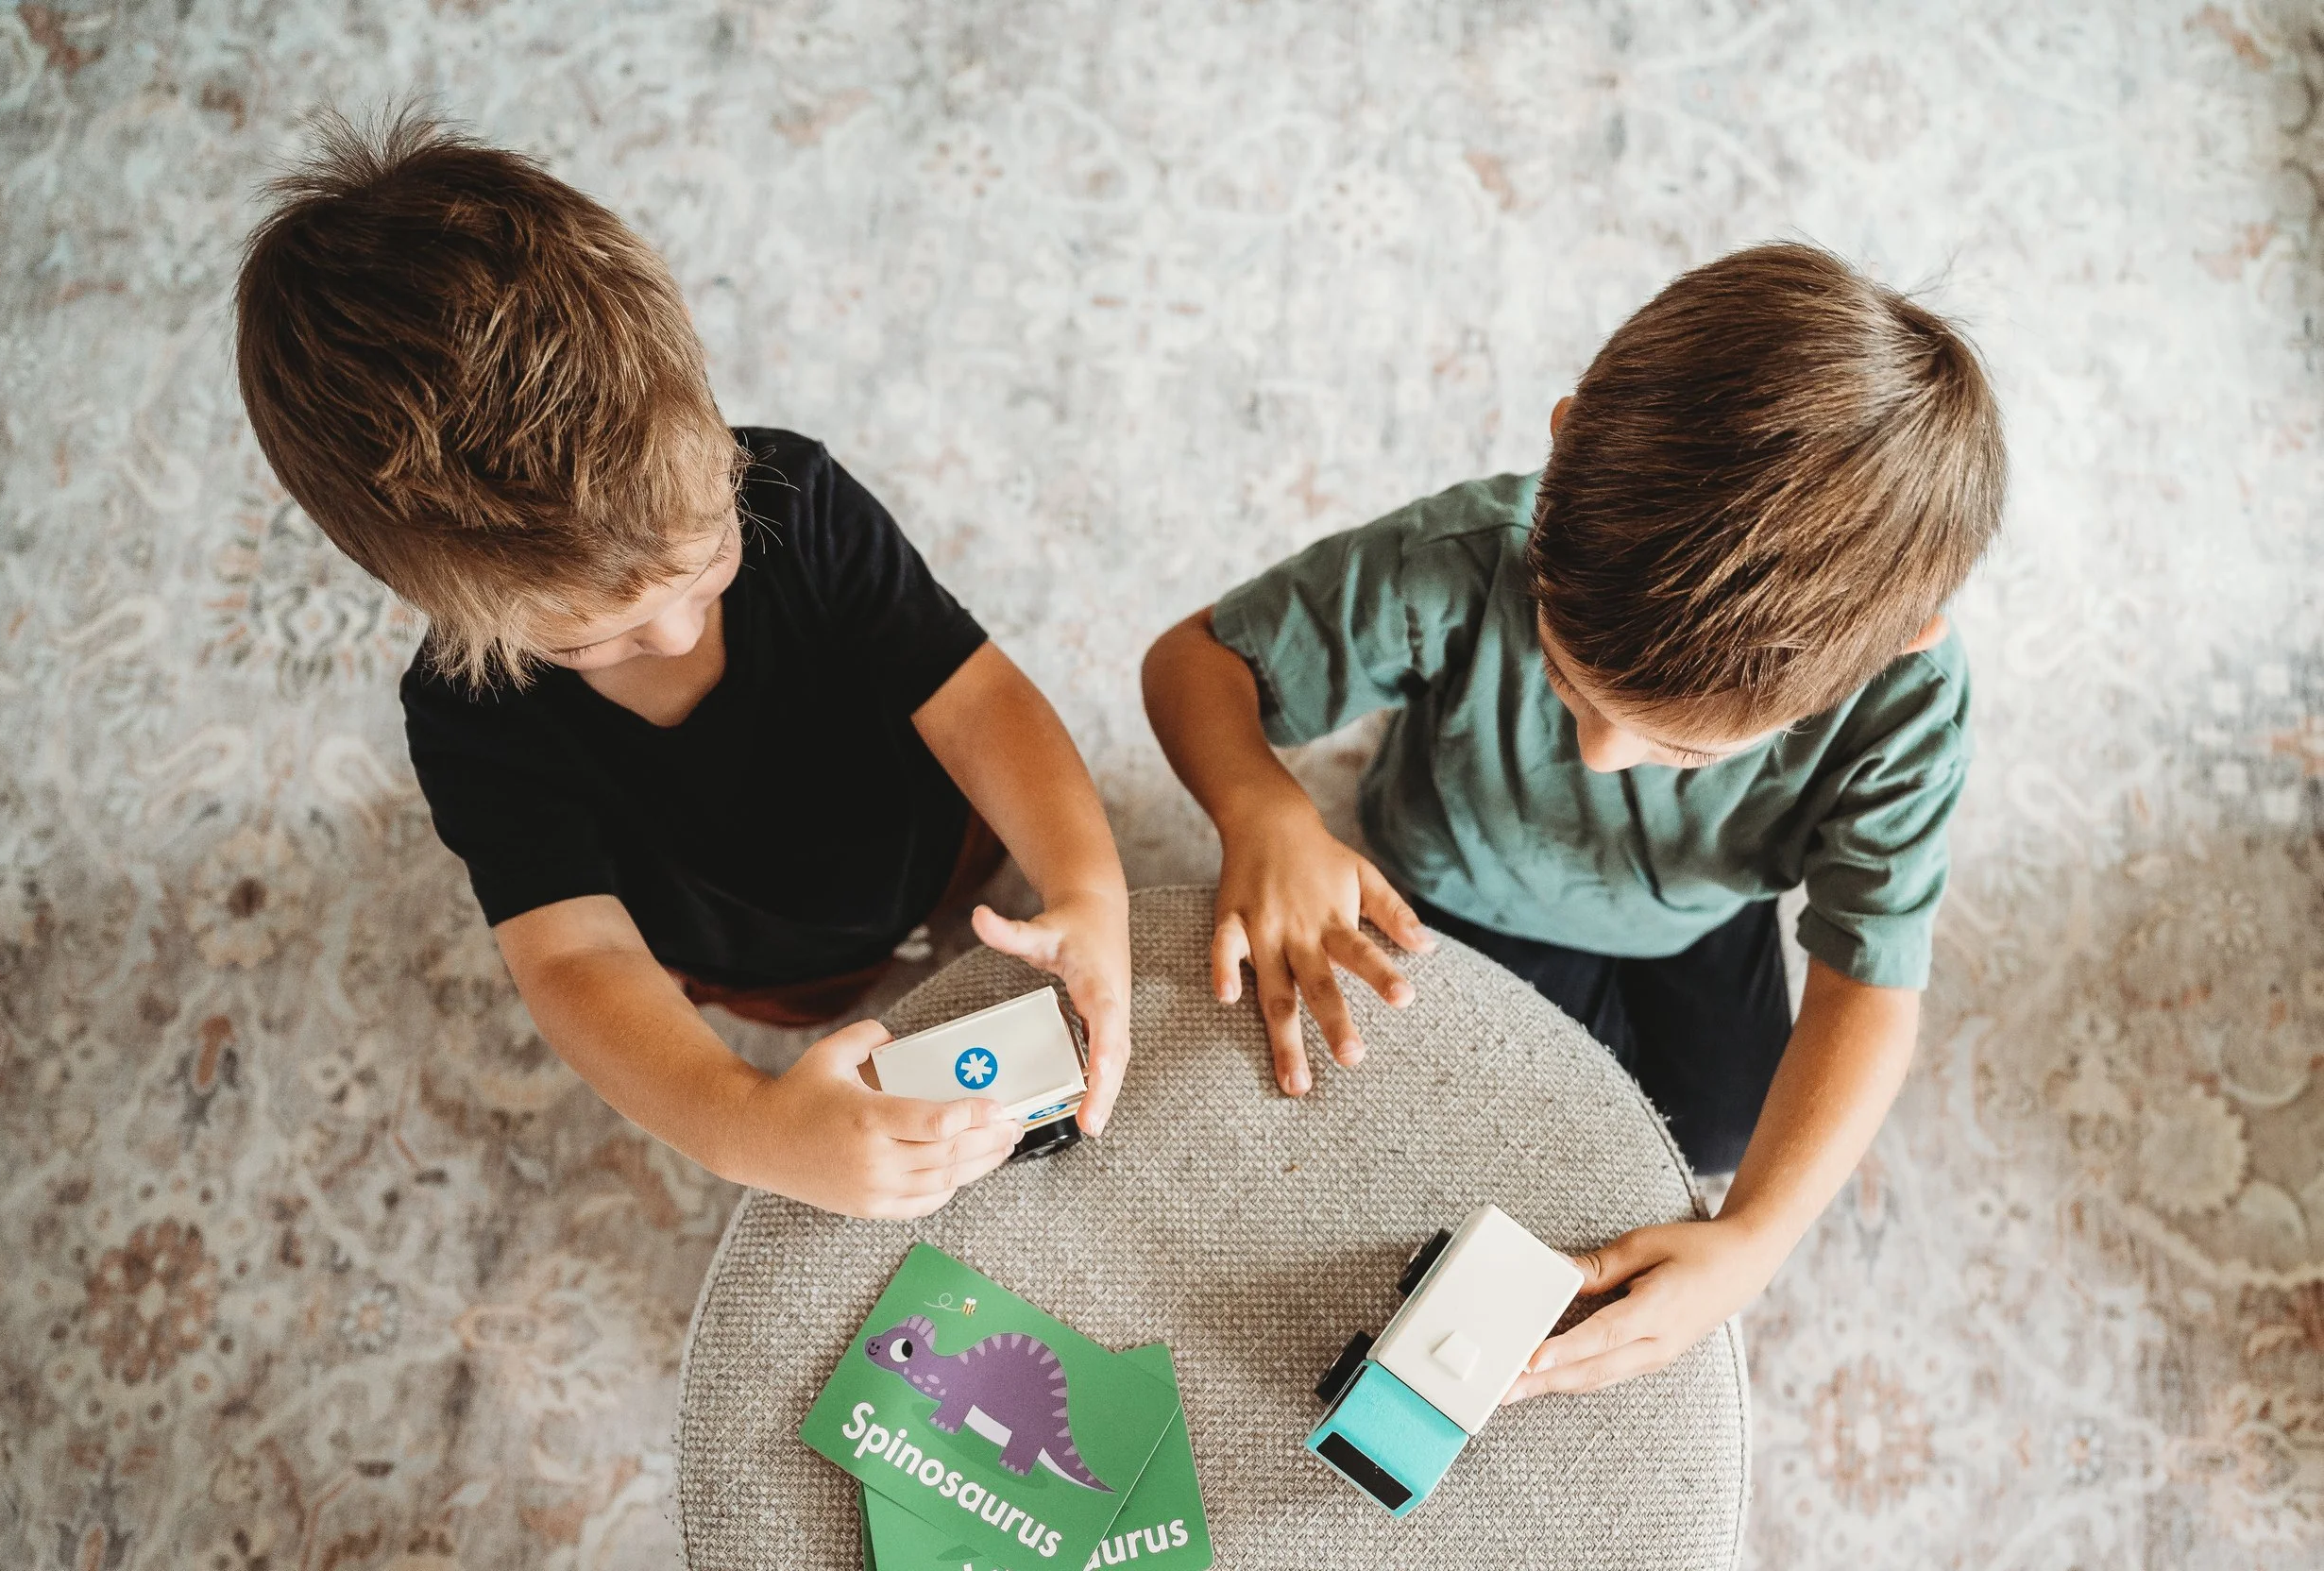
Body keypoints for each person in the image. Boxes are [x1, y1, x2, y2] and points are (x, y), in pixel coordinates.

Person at [1141, 243, 2005, 1394]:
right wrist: (1263, 811)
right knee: (1426, 1146)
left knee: (1723, 1143)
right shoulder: (1463, 555)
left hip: (1695, 921)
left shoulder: (1907, 699)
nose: (1599, 757)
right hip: (1444, 884)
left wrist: (1752, 1244)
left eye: (1679, 746)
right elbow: (1193, 660)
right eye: (1561, 678)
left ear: (1894, 650)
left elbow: (1870, 978)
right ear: (1559, 456)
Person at [234, 112, 1131, 1220]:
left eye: (706, 559)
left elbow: (978, 693)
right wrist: (748, 1127)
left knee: (978, 900)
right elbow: (576, 964)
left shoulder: (796, 495)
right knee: (832, 1006)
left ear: (706, 419)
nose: (669, 636)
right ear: (440, 605)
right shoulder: (467, 714)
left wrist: (1087, 889)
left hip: (948, 837)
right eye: (584, 637)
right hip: (764, 962)